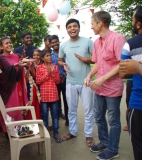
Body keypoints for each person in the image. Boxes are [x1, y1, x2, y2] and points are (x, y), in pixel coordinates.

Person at [84, 11, 126, 160]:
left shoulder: (117, 38)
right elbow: (98, 63)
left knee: (113, 120)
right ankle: (104, 142)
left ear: (100, 23)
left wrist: (102, 79)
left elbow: (122, 64)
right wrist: (89, 75)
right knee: (99, 117)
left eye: (92, 24)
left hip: (113, 87)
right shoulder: (96, 42)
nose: (91, 27)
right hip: (99, 87)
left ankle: (113, 149)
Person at [58, 19, 95, 147]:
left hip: (86, 81)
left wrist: (85, 59)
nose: (72, 29)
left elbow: (96, 58)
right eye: (69, 27)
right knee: (71, 109)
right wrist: (64, 64)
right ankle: (72, 132)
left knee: (88, 109)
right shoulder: (64, 45)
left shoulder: (88, 42)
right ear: (66, 30)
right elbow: (60, 60)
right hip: (70, 82)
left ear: (79, 28)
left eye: (75, 26)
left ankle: (88, 134)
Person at [0, 36, 29, 148]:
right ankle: (9, 139)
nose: (9, 45)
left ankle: (19, 135)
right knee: (8, 113)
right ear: (1, 47)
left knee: (17, 112)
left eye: (10, 43)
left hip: (16, 88)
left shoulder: (15, 56)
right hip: (6, 90)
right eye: (6, 43)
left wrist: (23, 66)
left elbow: (18, 74)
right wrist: (16, 66)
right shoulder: (0, 58)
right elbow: (2, 74)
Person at [119, 6, 142, 160]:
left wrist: (137, 68)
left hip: (139, 103)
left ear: (138, 23)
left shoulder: (131, 44)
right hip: (137, 103)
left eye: (133, 18)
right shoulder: (130, 43)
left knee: (138, 145)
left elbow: (123, 72)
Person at [36, 50, 62, 143]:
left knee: (55, 115)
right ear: (42, 58)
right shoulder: (39, 68)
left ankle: (56, 133)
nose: (50, 57)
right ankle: (45, 133)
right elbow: (38, 81)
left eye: (50, 56)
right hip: (44, 95)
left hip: (53, 94)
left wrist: (53, 73)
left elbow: (57, 81)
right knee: (45, 115)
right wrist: (48, 73)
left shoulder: (55, 67)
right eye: (47, 56)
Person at [50, 35, 68, 126]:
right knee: (56, 100)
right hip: (54, 81)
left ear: (58, 41)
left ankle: (68, 119)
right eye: (52, 43)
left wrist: (64, 75)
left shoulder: (64, 52)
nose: (55, 44)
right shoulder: (49, 55)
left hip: (65, 79)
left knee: (66, 100)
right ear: (50, 44)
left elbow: (68, 63)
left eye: (56, 41)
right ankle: (57, 117)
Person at [24, 49, 41, 120]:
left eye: (37, 55)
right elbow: (32, 77)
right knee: (33, 104)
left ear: (41, 56)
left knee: (41, 107)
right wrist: (30, 67)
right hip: (32, 88)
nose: (36, 57)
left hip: (41, 87)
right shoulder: (30, 64)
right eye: (34, 55)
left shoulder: (42, 64)